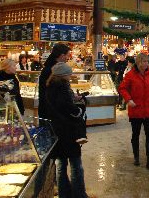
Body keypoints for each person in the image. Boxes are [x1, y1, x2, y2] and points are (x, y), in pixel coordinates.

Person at [45, 62, 88, 198]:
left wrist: (73, 99)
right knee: (76, 163)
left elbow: (59, 105)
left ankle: (65, 193)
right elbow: (67, 107)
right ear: (63, 75)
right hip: (68, 129)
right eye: (69, 73)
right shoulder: (62, 87)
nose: (70, 76)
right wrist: (79, 110)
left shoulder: (50, 86)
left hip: (56, 128)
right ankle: (79, 194)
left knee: (61, 163)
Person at [119, 53, 149, 170]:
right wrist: (128, 99)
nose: (145, 64)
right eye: (143, 61)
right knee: (135, 135)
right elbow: (122, 88)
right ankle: (136, 157)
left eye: (146, 61)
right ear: (137, 63)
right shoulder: (130, 75)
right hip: (136, 110)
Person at [38, 43, 71, 120]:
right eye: (67, 55)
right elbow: (56, 92)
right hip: (52, 112)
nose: (68, 58)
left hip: (46, 109)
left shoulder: (48, 67)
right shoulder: (55, 70)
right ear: (62, 55)